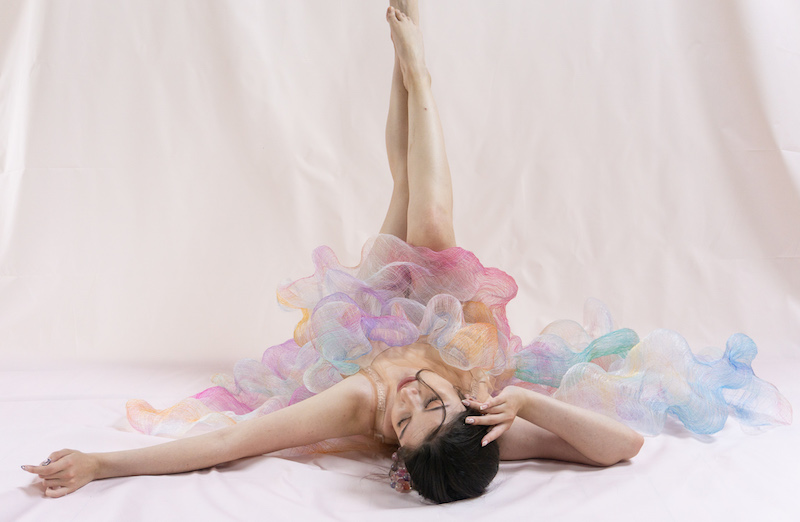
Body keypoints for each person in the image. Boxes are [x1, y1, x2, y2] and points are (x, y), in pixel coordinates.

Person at [21, 1, 790, 503]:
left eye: (410, 417)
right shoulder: (484, 421)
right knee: (434, 221)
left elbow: (223, 443)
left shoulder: (361, 401)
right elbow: (622, 448)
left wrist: (99, 466)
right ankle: (415, 68)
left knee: (411, 205)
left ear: (396, 457)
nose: (415, 395)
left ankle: (411, 65)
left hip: (372, 318)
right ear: (470, 412)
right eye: (437, 402)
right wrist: (521, 403)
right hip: (449, 323)